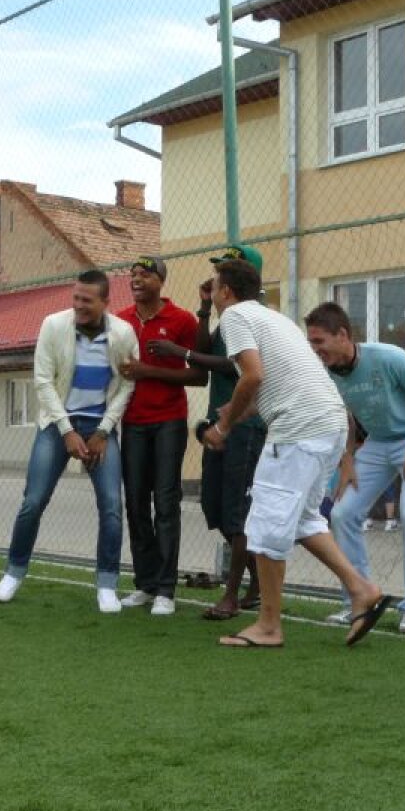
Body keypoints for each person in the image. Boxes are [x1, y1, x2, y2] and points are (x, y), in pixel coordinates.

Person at [203, 258, 388, 648]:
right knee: (304, 521)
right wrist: (240, 413)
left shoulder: (234, 317)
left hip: (299, 431)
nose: (211, 292)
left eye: (214, 285)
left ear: (226, 292)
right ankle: (361, 588)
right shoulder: (276, 319)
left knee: (266, 524)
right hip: (328, 426)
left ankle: (269, 626)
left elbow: (253, 376)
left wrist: (223, 427)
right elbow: (283, 381)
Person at [0, 269, 138, 613]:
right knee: (34, 500)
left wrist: (103, 432)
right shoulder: (53, 325)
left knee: (112, 507)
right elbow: (42, 381)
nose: (79, 306)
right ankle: (13, 573)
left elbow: (127, 384)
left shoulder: (123, 333)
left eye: (87, 301)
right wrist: (67, 430)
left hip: (100, 428)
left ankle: (106, 585)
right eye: (75, 298)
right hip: (58, 425)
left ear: (105, 302)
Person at [306, 302, 405, 636]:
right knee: (341, 514)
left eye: (319, 341)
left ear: (343, 335)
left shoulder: (388, 357)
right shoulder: (327, 374)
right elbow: (346, 417)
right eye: (311, 343)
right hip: (379, 444)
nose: (315, 350)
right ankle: (358, 598)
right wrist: (348, 460)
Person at [148, 245, 268, 621]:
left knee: (236, 513)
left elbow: (238, 368)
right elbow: (204, 354)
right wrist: (203, 307)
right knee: (213, 509)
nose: (215, 278)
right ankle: (256, 583)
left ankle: (234, 595)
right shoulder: (226, 319)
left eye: (222, 273)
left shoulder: (254, 317)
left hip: (246, 426)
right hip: (222, 426)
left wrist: (181, 354)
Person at [114, 256, 201, 616]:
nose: (137, 280)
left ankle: (167, 589)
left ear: (161, 281)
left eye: (145, 274)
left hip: (169, 421)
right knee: (135, 503)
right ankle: (146, 584)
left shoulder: (182, 320)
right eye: (133, 275)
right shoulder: (120, 321)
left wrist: (147, 370)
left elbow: (199, 376)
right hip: (132, 421)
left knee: (165, 503)